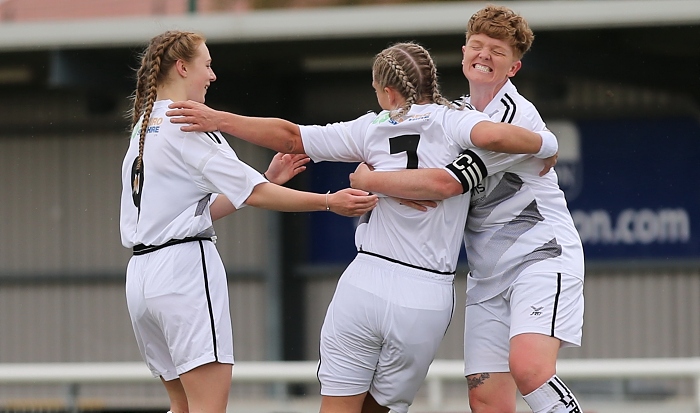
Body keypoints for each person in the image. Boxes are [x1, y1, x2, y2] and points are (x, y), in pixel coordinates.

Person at [166, 41, 558, 413]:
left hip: (365, 283)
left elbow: (291, 135)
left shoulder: (372, 127)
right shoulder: (456, 120)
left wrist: (219, 119)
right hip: (423, 295)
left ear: (389, 93)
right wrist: (545, 143)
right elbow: (491, 136)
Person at [120, 30, 378, 413]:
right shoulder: (187, 122)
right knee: (208, 407)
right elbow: (254, 194)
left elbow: (195, 211)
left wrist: (267, 179)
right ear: (182, 67)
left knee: (181, 406)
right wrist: (329, 201)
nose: (212, 76)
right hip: (181, 272)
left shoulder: (146, 124)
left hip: (142, 278)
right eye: (207, 65)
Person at [348, 6, 585, 413]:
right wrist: (367, 172)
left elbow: (443, 183)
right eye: (477, 45)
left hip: (540, 260)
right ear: (462, 54)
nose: (484, 55)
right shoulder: (450, 115)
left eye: (497, 50)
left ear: (514, 67)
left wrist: (367, 180)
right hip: (486, 275)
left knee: (530, 369)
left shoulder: (512, 119)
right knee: (486, 399)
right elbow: (405, 163)